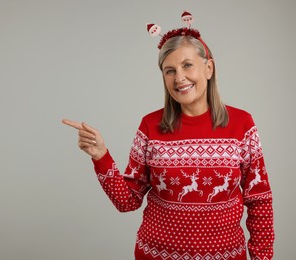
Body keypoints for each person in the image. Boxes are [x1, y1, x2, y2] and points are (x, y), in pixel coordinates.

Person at [62, 11, 274, 260]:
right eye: (169, 70)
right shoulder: (151, 126)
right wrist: (100, 156)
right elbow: (127, 201)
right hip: (156, 255)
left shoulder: (241, 124)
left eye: (187, 65)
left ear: (209, 68)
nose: (179, 78)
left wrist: (262, 257)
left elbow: (259, 200)